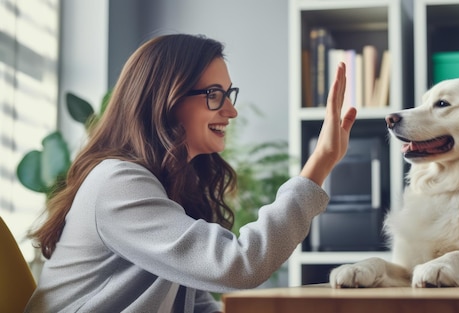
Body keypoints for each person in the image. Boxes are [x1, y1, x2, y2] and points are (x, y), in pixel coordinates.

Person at [25, 33, 357, 312]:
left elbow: (195, 304)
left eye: (228, 94)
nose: (231, 110)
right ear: (165, 99)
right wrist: (321, 161)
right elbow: (239, 264)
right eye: (214, 95)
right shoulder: (118, 182)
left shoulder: (165, 188)